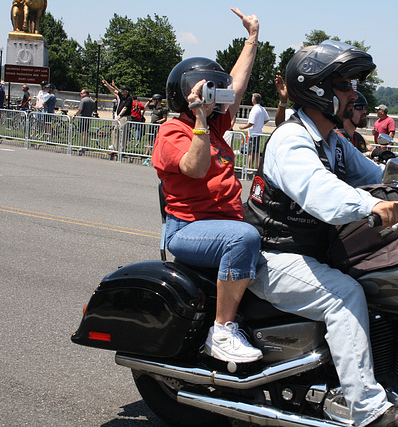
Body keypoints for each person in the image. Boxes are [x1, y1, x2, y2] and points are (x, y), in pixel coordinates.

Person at [244, 40, 398, 427]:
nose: (353, 94)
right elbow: (319, 191)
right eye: (344, 85)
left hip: (313, 254)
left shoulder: (334, 143)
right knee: (345, 296)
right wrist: (370, 205)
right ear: (317, 89)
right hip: (274, 256)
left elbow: (379, 176)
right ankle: (369, 410)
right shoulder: (292, 140)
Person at [152, 8, 263, 364]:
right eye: (209, 90)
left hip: (221, 222)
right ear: (188, 93)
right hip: (188, 229)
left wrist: (251, 39)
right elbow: (195, 169)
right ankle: (223, 331)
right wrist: (200, 117)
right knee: (243, 239)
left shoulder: (213, 127)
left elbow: (238, 84)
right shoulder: (174, 131)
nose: (219, 96)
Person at [102, 79, 133, 157]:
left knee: (123, 133)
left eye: (124, 90)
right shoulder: (121, 96)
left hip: (124, 117)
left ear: (127, 91)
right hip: (118, 117)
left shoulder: (129, 98)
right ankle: (114, 149)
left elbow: (125, 108)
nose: (122, 91)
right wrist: (107, 84)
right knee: (115, 132)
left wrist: (119, 115)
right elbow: (114, 91)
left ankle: (121, 150)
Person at [239, 92, 269, 168]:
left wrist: (243, 127)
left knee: (251, 152)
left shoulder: (254, 109)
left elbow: (251, 123)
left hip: (253, 134)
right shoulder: (262, 108)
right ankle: (255, 168)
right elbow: (267, 119)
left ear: (253, 100)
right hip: (258, 133)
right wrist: (260, 124)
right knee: (256, 152)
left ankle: (249, 168)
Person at [143, 94, 168, 166]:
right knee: (149, 139)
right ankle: (147, 152)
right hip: (152, 125)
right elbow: (145, 107)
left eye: (154, 100)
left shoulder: (163, 109)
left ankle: (157, 153)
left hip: (157, 125)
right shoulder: (153, 107)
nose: (153, 101)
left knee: (157, 140)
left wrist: (158, 122)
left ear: (158, 100)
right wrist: (149, 101)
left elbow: (165, 118)